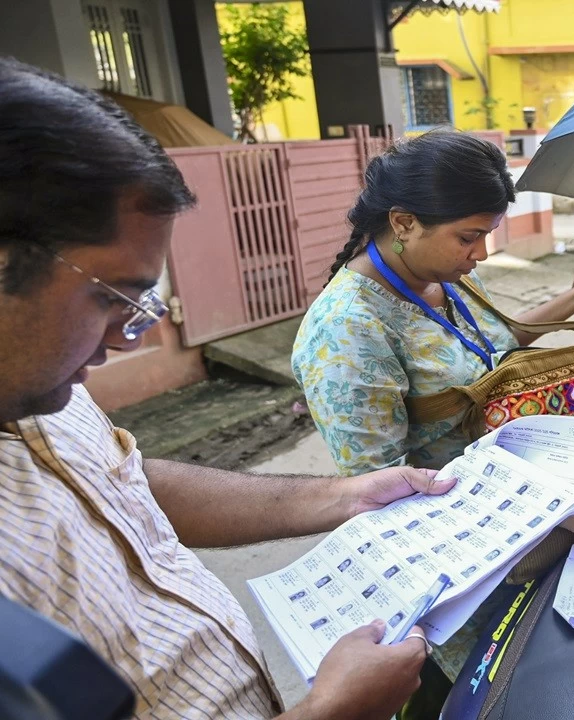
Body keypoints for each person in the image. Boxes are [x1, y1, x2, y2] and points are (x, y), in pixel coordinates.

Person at [0, 57, 450, 719]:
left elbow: (124, 483)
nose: (127, 337)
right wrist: (332, 712)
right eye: (109, 298)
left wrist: (346, 496)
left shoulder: (38, 389)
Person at [291, 131, 574, 697]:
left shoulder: (436, 277)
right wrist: (548, 509)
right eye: (468, 237)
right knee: (499, 694)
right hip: (461, 568)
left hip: (522, 525)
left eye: (485, 236)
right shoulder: (348, 333)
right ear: (403, 222)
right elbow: (384, 494)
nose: (479, 254)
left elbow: (485, 344)